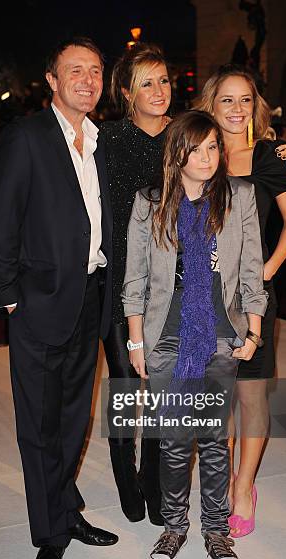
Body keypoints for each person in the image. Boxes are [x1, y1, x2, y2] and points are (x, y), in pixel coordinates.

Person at [0, 36, 118, 559]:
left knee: (71, 419)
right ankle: (50, 534)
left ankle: (66, 511)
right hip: (37, 305)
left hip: (90, 299)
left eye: (95, 71)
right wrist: (10, 296)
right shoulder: (27, 137)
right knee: (38, 426)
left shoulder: (102, 140)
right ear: (53, 81)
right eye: (75, 71)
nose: (87, 79)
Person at [122, 110, 268, 559]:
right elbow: (136, 277)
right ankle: (173, 527)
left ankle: (216, 531)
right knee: (172, 438)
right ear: (177, 153)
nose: (206, 157)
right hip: (166, 336)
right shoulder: (150, 201)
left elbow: (251, 269)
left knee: (212, 438)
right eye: (196, 148)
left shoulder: (239, 196)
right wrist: (135, 341)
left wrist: (254, 331)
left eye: (212, 148)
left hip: (221, 335)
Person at [197, 64, 286, 537]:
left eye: (245, 100)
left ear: (254, 105)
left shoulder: (271, 157)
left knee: (252, 394)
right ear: (210, 105)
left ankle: (243, 488)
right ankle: (220, 476)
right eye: (227, 100)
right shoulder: (198, 154)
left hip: (254, 295)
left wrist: (267, 270)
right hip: (206, 293)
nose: (236, 110)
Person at [100, 43, 172, 525]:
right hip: (119, 287)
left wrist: (277, 148)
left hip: (173, 287)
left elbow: (238, 151)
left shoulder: (186, 136)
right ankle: (126, 475)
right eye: (146, 82)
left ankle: (154, 480)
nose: (159, 90)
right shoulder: (105, 140)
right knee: (128, 386)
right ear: (127, 92)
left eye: (164, 80)